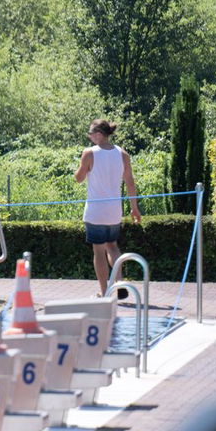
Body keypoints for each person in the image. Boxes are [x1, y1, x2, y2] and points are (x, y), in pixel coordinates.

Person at [74, 119, 141, 297]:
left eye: (90, 133)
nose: (89, 137)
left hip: (96, 211)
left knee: (99, 251)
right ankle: (119, 283)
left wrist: (81, 168)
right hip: (114, 211)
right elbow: (130, 183)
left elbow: (79, 178)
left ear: (98, 134)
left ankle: (105, 292)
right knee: (112, 246)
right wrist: (134, 208)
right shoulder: (122, 154)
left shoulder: (89, 153)